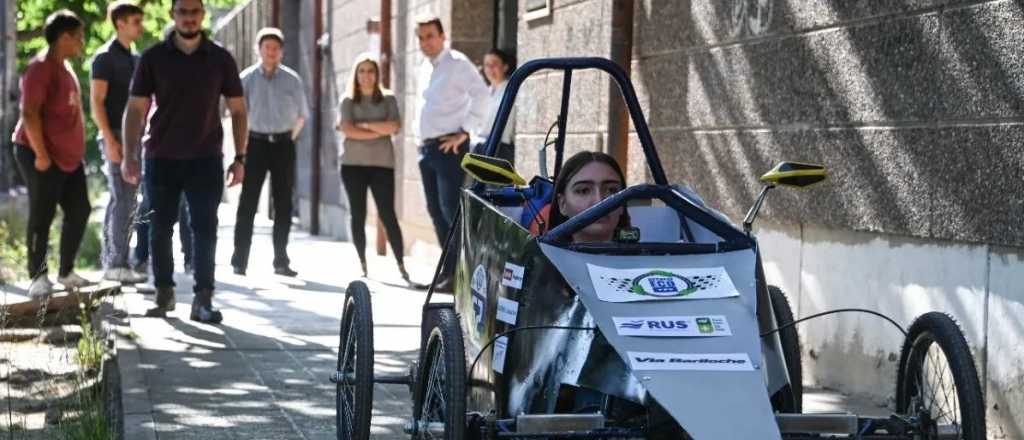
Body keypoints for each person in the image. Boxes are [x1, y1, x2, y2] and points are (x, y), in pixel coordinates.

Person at [121, 0, 248, 323]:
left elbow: (238, 110)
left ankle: (203, 299)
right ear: (173, 15)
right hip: (161, 157)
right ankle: (164, 294)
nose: (189, 18)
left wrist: (240, 158)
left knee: (205, 228)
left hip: (206, 157)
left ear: (202, 15)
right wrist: (129, 156)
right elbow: (135, 110)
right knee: (159, 228)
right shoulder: (153, 58)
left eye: (194, 12)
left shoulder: (220, 59)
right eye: (183, 12)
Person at [12, 10, 92, 298]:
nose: (82, 42)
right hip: (39, 152)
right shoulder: (40, 68)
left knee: (80, 209)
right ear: (64, 38)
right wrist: (41, 155)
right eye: (78, 37)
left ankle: (66, 272)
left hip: (69, 158)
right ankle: (37, 276)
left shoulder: (66, 68)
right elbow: (29, 113)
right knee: (42, 213)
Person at [414, 16, 489, 292]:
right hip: (427, 149)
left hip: (450, 149)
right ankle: (449, 274)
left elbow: (482, 96)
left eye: (430, 36)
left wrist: (465, 132)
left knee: (450, 210)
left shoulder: (457, 64)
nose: (425, 42)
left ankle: (461, 274)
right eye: (421, 37)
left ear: (443, 36)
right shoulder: (424, 66)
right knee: (435, 210)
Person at [230, 27, 306, 277]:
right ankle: (239, 260)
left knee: (283, 203)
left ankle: (281, 260)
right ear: (258, 50)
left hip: (284, 144)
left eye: (275, 48)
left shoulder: (292, 80)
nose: (271, 52)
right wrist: (242, 149)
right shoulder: (247, 79)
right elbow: (238, 115)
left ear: (281, 51)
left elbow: (302, 115)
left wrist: (288, 139)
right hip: (256, 144)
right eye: (266, 48)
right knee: (248, 202)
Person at [336, 53, 418, 286]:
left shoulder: (388, 99)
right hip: (352, 165)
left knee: (387, 214)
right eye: (361, 70)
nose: (366, 75)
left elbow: (394, 127)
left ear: (377, 74)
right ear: (356, 74)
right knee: (358, 214)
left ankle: (401, 264)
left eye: (370, 70)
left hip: (382, 164)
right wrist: (377, 130)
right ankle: (362, 263)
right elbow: (347, 130)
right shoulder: (348, 100)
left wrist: (364, 125)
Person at [91, 1, 147, 284]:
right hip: (114, 135)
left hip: (135, 139)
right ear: (120, 23)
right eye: (136, 21)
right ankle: (115, 263)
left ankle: (118, 260)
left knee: (128, 200)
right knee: (121, 198)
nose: (141, 26)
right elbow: (97, 103)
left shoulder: (136, 59)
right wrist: (111, 140)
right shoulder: (104, 58)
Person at [547, 151, 629, 243]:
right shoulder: (539, 256)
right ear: (562, 204)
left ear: (623, 203)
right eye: (584, 191)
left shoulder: (645, 255)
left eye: (611, 190)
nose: (599, 201)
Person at [472, 48, 516, 163]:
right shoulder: (485, 92)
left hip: (500, 148)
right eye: (487, 65)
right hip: (480, 147)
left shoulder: (511, 90)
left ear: (505, 67)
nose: (490, 69)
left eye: (494, 64)